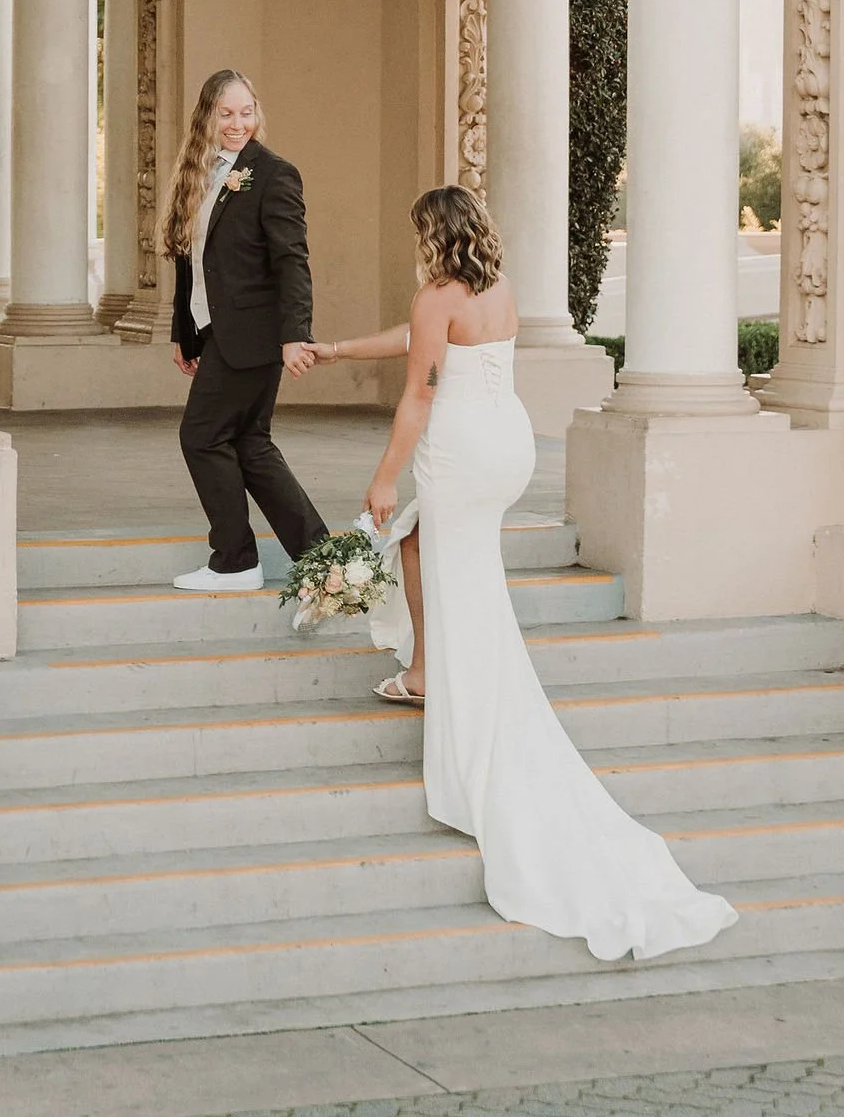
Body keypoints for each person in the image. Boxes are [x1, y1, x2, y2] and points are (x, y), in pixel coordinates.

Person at [312, 185, 738, 964]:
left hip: (460, 447)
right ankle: (424, 670)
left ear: (431, 236)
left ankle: (462, 700)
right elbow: (417, 339)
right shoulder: (494, 288)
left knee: (451, 570)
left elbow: (417, 390)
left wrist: (383, 477)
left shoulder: (436, 294)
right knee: (423, 551)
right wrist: (336, 350)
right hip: (507, 442)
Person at [164, 67, 327, 594]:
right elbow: (190, 263)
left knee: (203, 435)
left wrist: (295, 334)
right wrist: (186, 334)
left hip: (256, 334)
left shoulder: (274, 173)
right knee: (250, 444)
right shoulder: (201, 172)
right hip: (217, 334)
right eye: (226, 113)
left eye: (246, 112)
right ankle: (323, 560)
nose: (238, 124)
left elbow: (291, 261)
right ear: (208, 115)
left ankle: (234, 561)